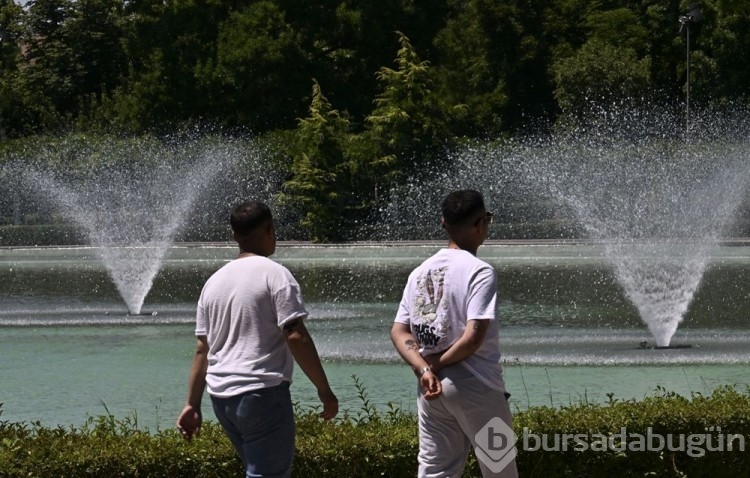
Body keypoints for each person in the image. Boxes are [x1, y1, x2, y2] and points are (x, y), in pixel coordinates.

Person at [177, 201, 338, 478]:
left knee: (259, 471)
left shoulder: (213, 282)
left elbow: (203, 349)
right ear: (270, 230)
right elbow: (296, 334)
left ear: (234, 236)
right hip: (260, 392)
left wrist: (192, 404)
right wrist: (324, 389)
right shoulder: (275, 274)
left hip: (222, 398)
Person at [390, 189, 518, 478]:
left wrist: (424, 368)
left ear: (443, 223)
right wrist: (436, 364)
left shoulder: (419, 272)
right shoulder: (480, 271)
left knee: (437, 471)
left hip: (430, 387)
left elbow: (399, 330)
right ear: (480, 224)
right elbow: (474, 336)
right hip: (477, 385)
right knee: (500, 470)